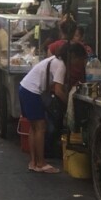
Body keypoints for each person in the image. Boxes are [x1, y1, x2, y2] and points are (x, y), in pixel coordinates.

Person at [19, 42, 88, 173]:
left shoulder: (55, 60)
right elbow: (58, 90)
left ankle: (33, 162)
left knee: (34, 128)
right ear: (73, 56)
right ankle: (40, 163)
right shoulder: (61, 65)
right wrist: (69, 103)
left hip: (25, 88)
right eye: (79, 59)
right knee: (40, 127)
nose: (79, 63)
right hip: (31, 91)